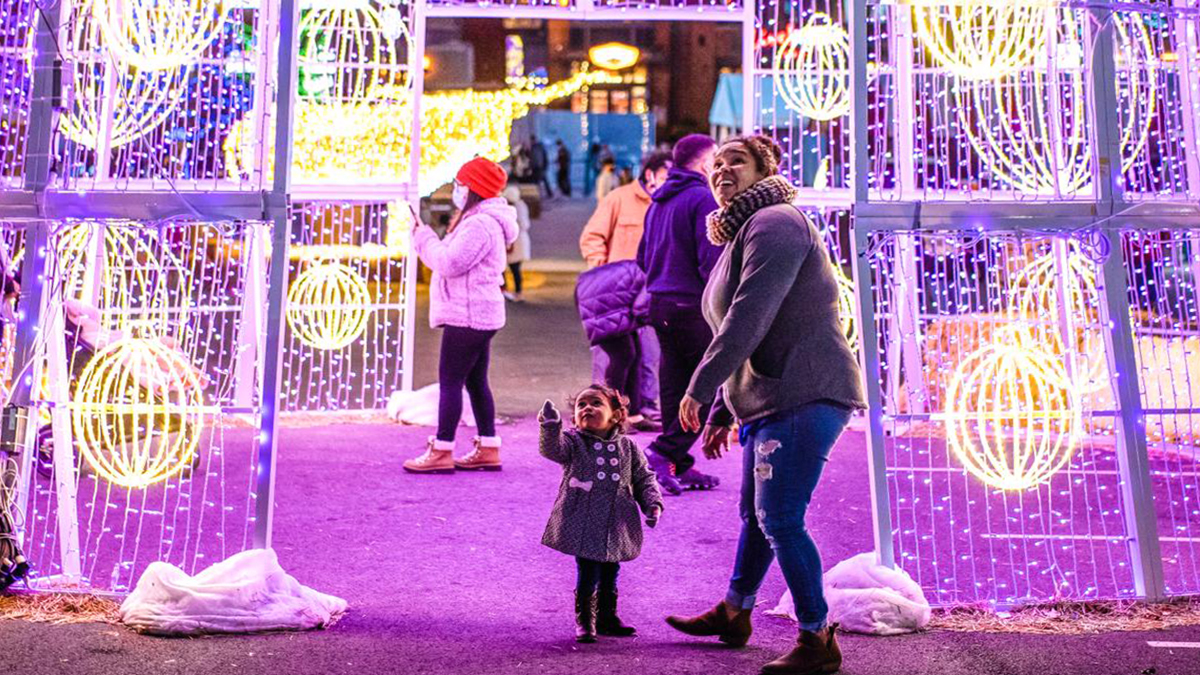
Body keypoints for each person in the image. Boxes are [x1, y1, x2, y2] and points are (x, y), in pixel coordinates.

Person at [664, 135, 865, 675]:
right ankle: (735, 612)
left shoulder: (776, 221)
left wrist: (701, 386)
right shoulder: (742, 231)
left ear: (764, 170)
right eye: (717, 163)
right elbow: (752, 324)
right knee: (757, 516)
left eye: (738, 161)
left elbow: (750, 314)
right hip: (769, 397)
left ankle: (817, 639)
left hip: (804, 392)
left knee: (780, 517)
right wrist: (728, 408)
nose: (723, 169)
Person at [403, 157, 519, 474]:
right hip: (477, 313)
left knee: (451, 382)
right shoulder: (479, 220)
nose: (455, 190)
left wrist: (423, 238)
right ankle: (488, 446)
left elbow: (449, 263)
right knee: (475, 381)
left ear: (472, 189)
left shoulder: (478, 225)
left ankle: (441, 450)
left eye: (459, 184)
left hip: (468, 315)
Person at [538, 385, 663, 643]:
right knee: (588, 568)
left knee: (610, 568)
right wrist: (550, 426)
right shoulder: (573, 443)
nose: (587, 408)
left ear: (616, 416)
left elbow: (643, 478)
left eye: (596, 403)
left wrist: (652, 504)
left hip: (616, 520)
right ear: (574, 418)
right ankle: (585, 619)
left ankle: (607, 616)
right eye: (581, 405)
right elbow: (552, 450)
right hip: (583, 519)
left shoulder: (628, 447)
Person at [636, 133, 722, 495]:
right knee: (706, 386)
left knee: (674, 385)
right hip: (691, 305)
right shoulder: (702, 199)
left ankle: (678, 464)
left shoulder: (659, 201)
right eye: (717, 160)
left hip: (661, 303)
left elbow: (642, 255)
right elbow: (711, 258)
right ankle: (662, 453)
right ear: (704, 164)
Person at [579, 150, 673, 430]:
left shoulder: (667, 204)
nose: (670, 181)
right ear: (650, 175)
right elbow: (591, 237)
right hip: (615, 296)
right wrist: (602, 270)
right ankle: (599, 413)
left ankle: (636, 411)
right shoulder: (619, 198)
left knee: (646, 355)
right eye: (666, 176)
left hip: (649, 294)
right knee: (614, 356)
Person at [503, 184, 531, 302]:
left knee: (509, 268)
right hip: (518, 242)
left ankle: (510, 290)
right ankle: (516, 291)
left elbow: (523, 224)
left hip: (514, 242)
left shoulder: (513, 208)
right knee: (514, 269)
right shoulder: (521, 206)